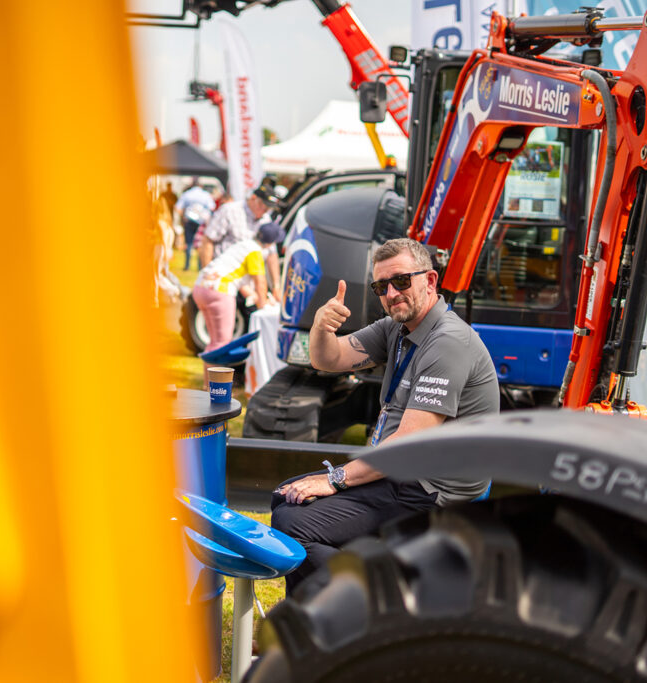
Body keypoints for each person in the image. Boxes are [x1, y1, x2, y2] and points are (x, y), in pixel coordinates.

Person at [271, 238, 499, 597]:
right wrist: (321, 327)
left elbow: (409, 445)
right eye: (382, 286)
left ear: (430, 281)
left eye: (402, 281)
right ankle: (316, 621)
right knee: (286, 498)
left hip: (430, 491)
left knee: (294, 522)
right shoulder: (397, 328)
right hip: (399, 474)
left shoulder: (449, 343)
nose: (391, 294)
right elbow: (328, 359)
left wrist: (336, 479)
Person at [192, 221, 285, 355]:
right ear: (270, 243)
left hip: (200, 287)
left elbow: (242, 284)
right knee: (222, 343)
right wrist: (263, 306)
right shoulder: (255, 252)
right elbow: (260, 281)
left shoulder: (242, 246)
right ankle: (218, 376)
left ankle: (209, 376)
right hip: (220, 291)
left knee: (213, 343)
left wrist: (257, 298)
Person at [196, 187, 274, 268]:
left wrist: (276, 280)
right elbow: (208, 240)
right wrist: (207, 271)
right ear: (253, 198)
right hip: (222, 271)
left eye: (268, 208)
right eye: (263, 206)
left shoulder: (266, 219)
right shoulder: (229, 210)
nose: (265, 210)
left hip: (249, 275)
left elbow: (272, 252)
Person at [174, 180, 215, 271]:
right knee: (200, 244)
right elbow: (212, 208)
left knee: (188, 243)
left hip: (189, 221)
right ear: (200, 186)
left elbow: (178, 207)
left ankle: (187, 265)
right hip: (201, 222)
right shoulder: (206, 195)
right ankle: (200, 267)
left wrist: (183, 217)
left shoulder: (187, 194)